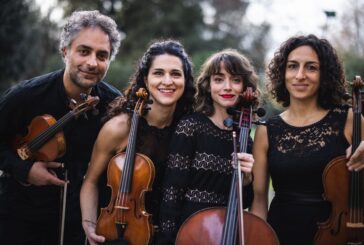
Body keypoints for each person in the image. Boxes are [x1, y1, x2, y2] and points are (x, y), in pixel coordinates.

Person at [0, 10, 122, 244]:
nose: (92, 63)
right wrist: (24, 170)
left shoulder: (114, 105)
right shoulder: (26, 96)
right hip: (20, 219)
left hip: (78, 224)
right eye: (84, 51)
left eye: (102, 55)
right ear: (65, 51)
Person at [251, 34, 364, 245]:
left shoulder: (348, 119)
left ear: (324, 75)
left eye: (311, 67)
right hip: (281, 233)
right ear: (282, 73)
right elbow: (259, 201)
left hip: (338, 236)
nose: (300, 75)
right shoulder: (267, 130)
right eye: (292, 66)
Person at [80, 39, 195, 245]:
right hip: (118, 234)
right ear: (145, 78)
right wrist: (89, 225)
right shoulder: (119, 127)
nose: (167, 81)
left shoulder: (187, 129)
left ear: (186, 80)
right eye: (158, 73)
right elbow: (90, 182)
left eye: (176, 74)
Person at [157, 49, 257, 244]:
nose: (227, 87)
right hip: (190, 233)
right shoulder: (191, 127)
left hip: (225, 233)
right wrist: (167, 240)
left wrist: (246, 179)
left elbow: (244, 201)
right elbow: (172, 193)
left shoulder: (245, 138)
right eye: (219, 79)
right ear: (208, 85)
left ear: (245, 87)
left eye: (235, 80)